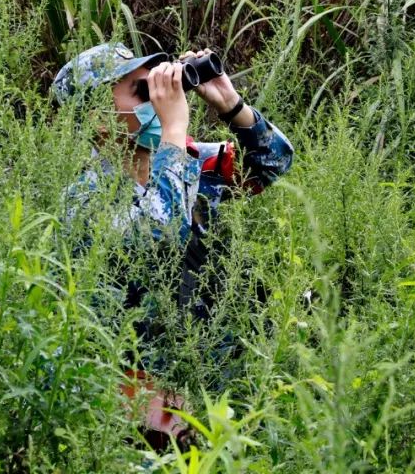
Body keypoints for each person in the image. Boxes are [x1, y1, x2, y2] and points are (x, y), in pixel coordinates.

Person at [50, 41, 295, 449]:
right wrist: (174, 132)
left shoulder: (191, 160)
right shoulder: (85, 198)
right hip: (143, 409)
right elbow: (158, 233)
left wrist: (229, 103)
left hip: (217, 382)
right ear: (96, 116)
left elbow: (273, 163)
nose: (157, 101)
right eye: (141, 93)